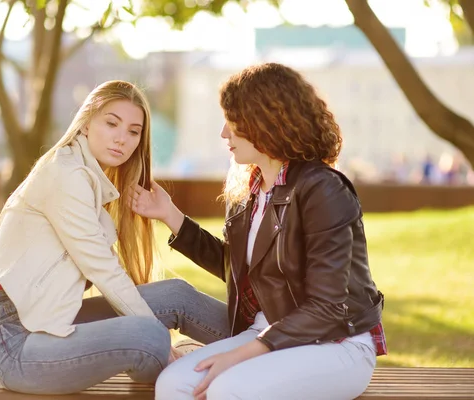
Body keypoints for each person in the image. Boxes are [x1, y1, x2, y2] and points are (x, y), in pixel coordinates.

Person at [129, 63, 387, 400]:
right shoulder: (249, 189)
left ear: (265, 121)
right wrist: (169, 214)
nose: (224, 134)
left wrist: (239, 354)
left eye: (233, 123)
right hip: (266, 332)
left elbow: (327, 307)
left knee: (228, 389)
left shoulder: (322, 190)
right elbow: (238, 266)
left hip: (337, 343)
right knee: (174, 385)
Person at [0, 80, 230, 395]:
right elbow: (103, 270)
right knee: (149, 337)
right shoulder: (66, 175)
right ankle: (193, 368)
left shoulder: (87, 175)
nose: (122, 139)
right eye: (111, 123)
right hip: (15, 342)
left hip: (50, 318)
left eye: (134, 131)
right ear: (85, 122)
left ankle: (265, 341)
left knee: (177, 296)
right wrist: (164, 348)